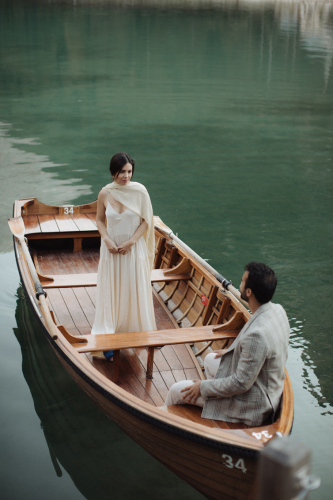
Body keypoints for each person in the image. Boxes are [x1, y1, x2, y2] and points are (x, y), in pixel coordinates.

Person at [164, 262, 290, 427]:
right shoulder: (277, 310)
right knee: (210, 359)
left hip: (254, 403)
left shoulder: (257, 335)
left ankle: (166, 426)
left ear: (249, 292)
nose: (240, 282)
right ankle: (214, 410)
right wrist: (233, 351)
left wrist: (203, 387)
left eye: (243, 281)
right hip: (266, 384)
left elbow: (241, 383)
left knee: (176, 390)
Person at [91, 152, 156, 360]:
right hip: (110, 250)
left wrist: (131, 241)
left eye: (129, 172)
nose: (126, 176)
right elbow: (100, 220)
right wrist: (107, 240)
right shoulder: (104, 193)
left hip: (132, 249)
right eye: (121, 172)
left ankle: (133, 333)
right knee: (111, 289)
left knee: (131, 287)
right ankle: (110, 335)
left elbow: (146, 221)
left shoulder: (140, 192)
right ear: (113, 173)